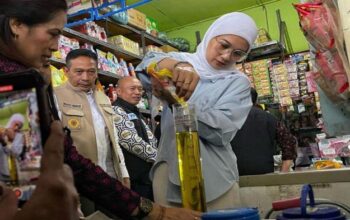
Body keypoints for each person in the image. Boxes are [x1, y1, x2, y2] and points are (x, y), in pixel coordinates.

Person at [0, 0, 201, 219]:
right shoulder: (16, 84)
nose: (57, 46)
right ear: (17, 25)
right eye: (53, 33)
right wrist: (153, 211)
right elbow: (58, 161)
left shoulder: (29, 79)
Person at [136, 12, 258, 210]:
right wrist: (174, 66)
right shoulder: (182, 60)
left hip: (216, 179)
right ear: (212, 36)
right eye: (224, 45)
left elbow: (221, 132)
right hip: (168, 172)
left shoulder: (237, 83)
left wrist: (178, 105)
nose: (227, 56)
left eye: (238, 54)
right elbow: (145, 66)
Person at [55, 49, 129, 187]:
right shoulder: (55, 97)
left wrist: (123, 173)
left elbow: (114, 139)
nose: (85, 77)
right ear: (66, 71)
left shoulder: (104, 99)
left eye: (91, 72)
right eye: (79, 72)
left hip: (110, 177)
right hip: (78, 181)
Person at [231, 88, 297, 175]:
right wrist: (283, 172)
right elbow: (289, 142)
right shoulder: (269, 119)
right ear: (255, 101)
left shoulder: (229, 118)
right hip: (264, 174)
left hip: (234, 175)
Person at [113, 76, 158, 200]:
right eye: (132, 89)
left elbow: (150, 138)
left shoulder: (135, 111)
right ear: (118, 91)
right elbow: (131, 142)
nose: (138, 92)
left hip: (147, 177)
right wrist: (159, 158)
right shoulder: (116, 110)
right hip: (135, 179)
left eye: (140, 89)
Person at [0, 114, 25, 180]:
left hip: (11, 172)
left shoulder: (19, 136)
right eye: (15, 124)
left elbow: (16, 154)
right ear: (11, 121)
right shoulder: (2, 131)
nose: (16, 128)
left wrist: (7, 142)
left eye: (19, 126)